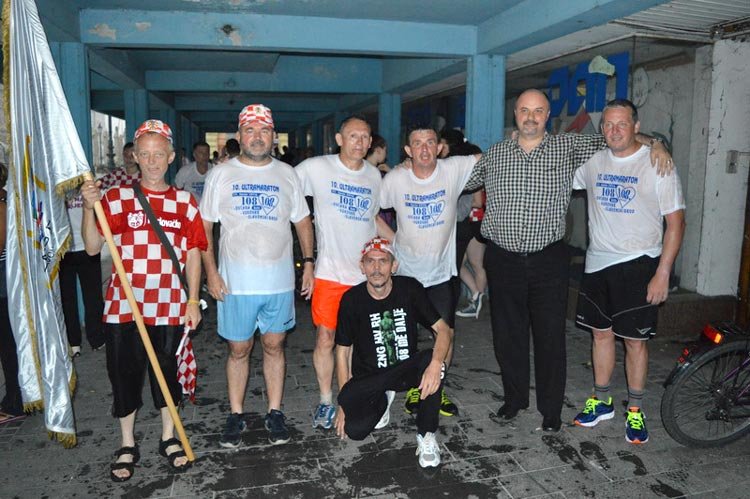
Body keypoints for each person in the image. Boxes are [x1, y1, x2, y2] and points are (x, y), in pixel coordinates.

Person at [464, 88, 673, 432]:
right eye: (524, 110)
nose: (530, 117)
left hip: (548, 260)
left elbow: (617, 137)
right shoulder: (495, 154)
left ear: (547, 116)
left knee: (550, 337)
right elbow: (461, 180)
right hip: (502, 259)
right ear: (515, 114)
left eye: (538, 111)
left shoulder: (569, 146)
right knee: (507, 334)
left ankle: (550, 411)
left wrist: (657, 143)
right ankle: (514, 400)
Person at [81, 119, 207, 481]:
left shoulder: (185, 202)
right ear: (135, 156)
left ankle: (169, 437)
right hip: (125, 304)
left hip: (169, 302)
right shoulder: (117, 198)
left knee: (167, 372)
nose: (152, 162)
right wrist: (89, 208)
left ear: (171, 157)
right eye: (145, 154)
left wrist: (193, 301)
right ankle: (127, 443)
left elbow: (194, 254)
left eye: (159, 154)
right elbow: (92, 247)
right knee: (124, 374)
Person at [200, 104, 314, 448]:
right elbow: (204, 227)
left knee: (274, 345)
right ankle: (236, 414)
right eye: (250, 130)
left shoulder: (287, 173)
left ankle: (275, 412)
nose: (257, 137)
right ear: (240, 135)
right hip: (235, 282)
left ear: (273, 136)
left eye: (264, 130)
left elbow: (302, 221)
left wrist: (309, 263)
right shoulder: (221, 174)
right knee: (239, 349)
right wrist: (211, 272)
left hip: (278, 281)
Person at [571, 99, 685, 444]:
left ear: (636, 126)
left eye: (622, 124)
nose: (614, 131)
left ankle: (635, 410)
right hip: (597, 264)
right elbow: (559, 174)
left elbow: (676, 224)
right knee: (600, 334)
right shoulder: (592, 161)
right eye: (608, 124)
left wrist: (663, 272)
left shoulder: (658, 163)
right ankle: (602, 401)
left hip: (639, 264)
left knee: (635, 342)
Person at [380, 126, 480, 417]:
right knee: (404, 334)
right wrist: (393, 241)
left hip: (441, 274)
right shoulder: (396, 178)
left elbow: (484, 158)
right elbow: (372, 210)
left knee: (445, 333)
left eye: (430, 143)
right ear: (408, 150)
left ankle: (437, 387)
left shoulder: (453, 170)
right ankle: (411, 385)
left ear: (439, 148)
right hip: (406, 273)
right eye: (417, 143)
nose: (424, 149)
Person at [294, 115, 382, 430]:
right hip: (330, 273)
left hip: (364, 276)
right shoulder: (316, 168)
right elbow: (284, 187)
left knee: (358, 341)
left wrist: (398, 249)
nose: (360, 142)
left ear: (370, 142)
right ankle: (325, 400)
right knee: (325, 337)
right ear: (340, 139)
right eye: (353, 135)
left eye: (365, 136)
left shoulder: (374, 175)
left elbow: (374, 219)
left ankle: (354, 394)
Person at [334, 237, 453, 468]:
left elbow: (443, 330)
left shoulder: (409, 289)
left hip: (404, 370)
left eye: (383, 261)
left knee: (433, 364)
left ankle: (427, 435)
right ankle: (383, 398)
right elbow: (342, 352)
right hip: (370, 377)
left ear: (394, 266)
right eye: (370, 261)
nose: (376, 268)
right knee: (355, 430)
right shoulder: (351, 300)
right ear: (362, 266)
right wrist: (345, 403)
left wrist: (437, 363)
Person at [61, 187, 105, 356]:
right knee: (67, 297)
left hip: (88, 247)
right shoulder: (57, 188)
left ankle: (96, 338)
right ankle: (73, 341)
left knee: (93, 296)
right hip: (64, 250)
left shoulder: (89, 187)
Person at [0, 162, 25, 425]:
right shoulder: (7, 201)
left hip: (4, 284)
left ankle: (15, 401)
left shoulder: (2, 205)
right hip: (8, 282)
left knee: (8, 345)